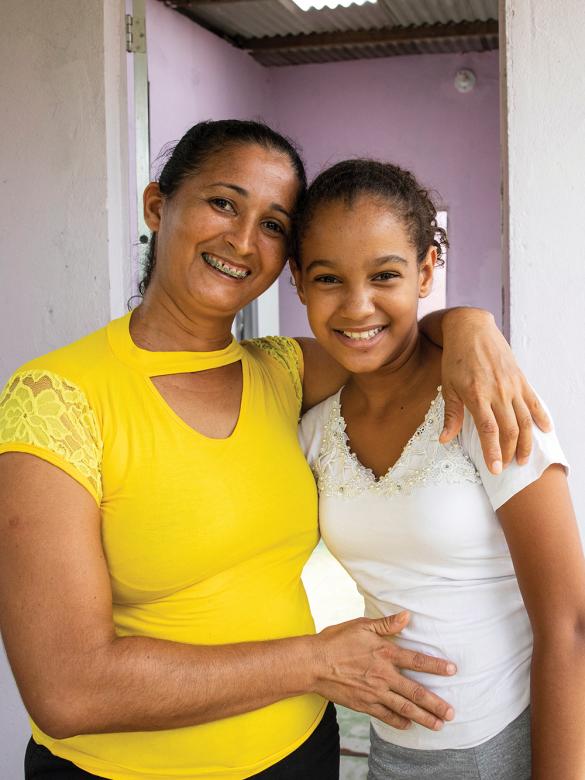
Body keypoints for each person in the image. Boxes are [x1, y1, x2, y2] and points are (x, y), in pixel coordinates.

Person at [0, 121, 550, 780]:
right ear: (157, 205)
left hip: (301, 754)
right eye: (224, 203)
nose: (241, 239)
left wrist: (468, 325)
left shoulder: (282, 371)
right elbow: (66, 691)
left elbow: (382, 334)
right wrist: (315, 662)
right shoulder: (56, 397)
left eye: (272, 223)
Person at [295, 159, 585, 780]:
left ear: (427, 271)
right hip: (391, 749)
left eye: (385, 275)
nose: (357, 305)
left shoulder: (489, 400)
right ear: (296, 280)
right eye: (327, 278)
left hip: (511, 740)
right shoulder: (314, 427)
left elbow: (571, 625)